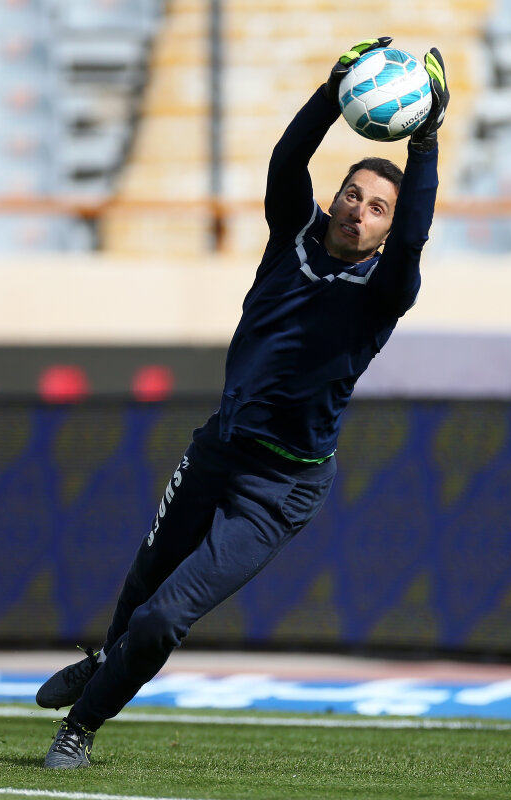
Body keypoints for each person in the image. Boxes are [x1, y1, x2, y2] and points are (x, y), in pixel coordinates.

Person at [38, 36, 449, 769]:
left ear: (388, 229)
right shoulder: (293, 236)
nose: (359, 210)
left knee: (164, 617)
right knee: (141, 586)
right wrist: (332, 93)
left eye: (378, 208)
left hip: (281, 487)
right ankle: (104, 659)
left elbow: (416, 238)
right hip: (220, 446)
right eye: (352, 194)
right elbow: (285, 164)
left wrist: (425, 144)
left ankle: (83, 725)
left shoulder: (385, 291)